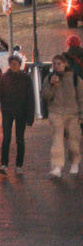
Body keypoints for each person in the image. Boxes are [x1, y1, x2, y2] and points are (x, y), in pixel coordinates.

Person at [0, 53, 34, 174]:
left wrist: (30, 116)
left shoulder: (26, 78)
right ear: (9, 65)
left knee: (20, 139)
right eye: (12, 64)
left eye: (16, 64)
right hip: (7, 112)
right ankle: (4, 164)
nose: (13, 66)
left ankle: (19, 165)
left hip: (22, 113)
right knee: (6, 138)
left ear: (19, 65)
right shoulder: (4, 78)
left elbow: (30, 98)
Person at [47, 34, 83, 179]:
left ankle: (68, 164)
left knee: (67, 140)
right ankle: (62, 165)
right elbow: (46, 96)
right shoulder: (52, 78)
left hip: (71, 111)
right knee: (64, 139)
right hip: (64, 111)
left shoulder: (71, 75)